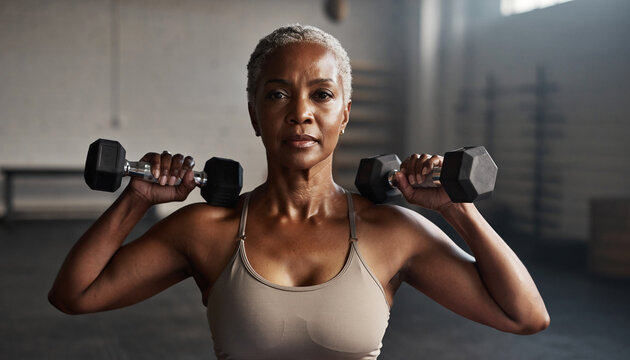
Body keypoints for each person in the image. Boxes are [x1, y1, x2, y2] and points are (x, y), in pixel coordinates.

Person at [49, 24, 549, 359]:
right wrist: (135, 197)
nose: (300, 112)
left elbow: (525, 316)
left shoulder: (391, 232)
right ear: (254, 115)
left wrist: (456, 211)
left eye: (322, 94)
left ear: (345, 113)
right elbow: (73, 296)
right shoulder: (207, 230)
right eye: (278, 93)